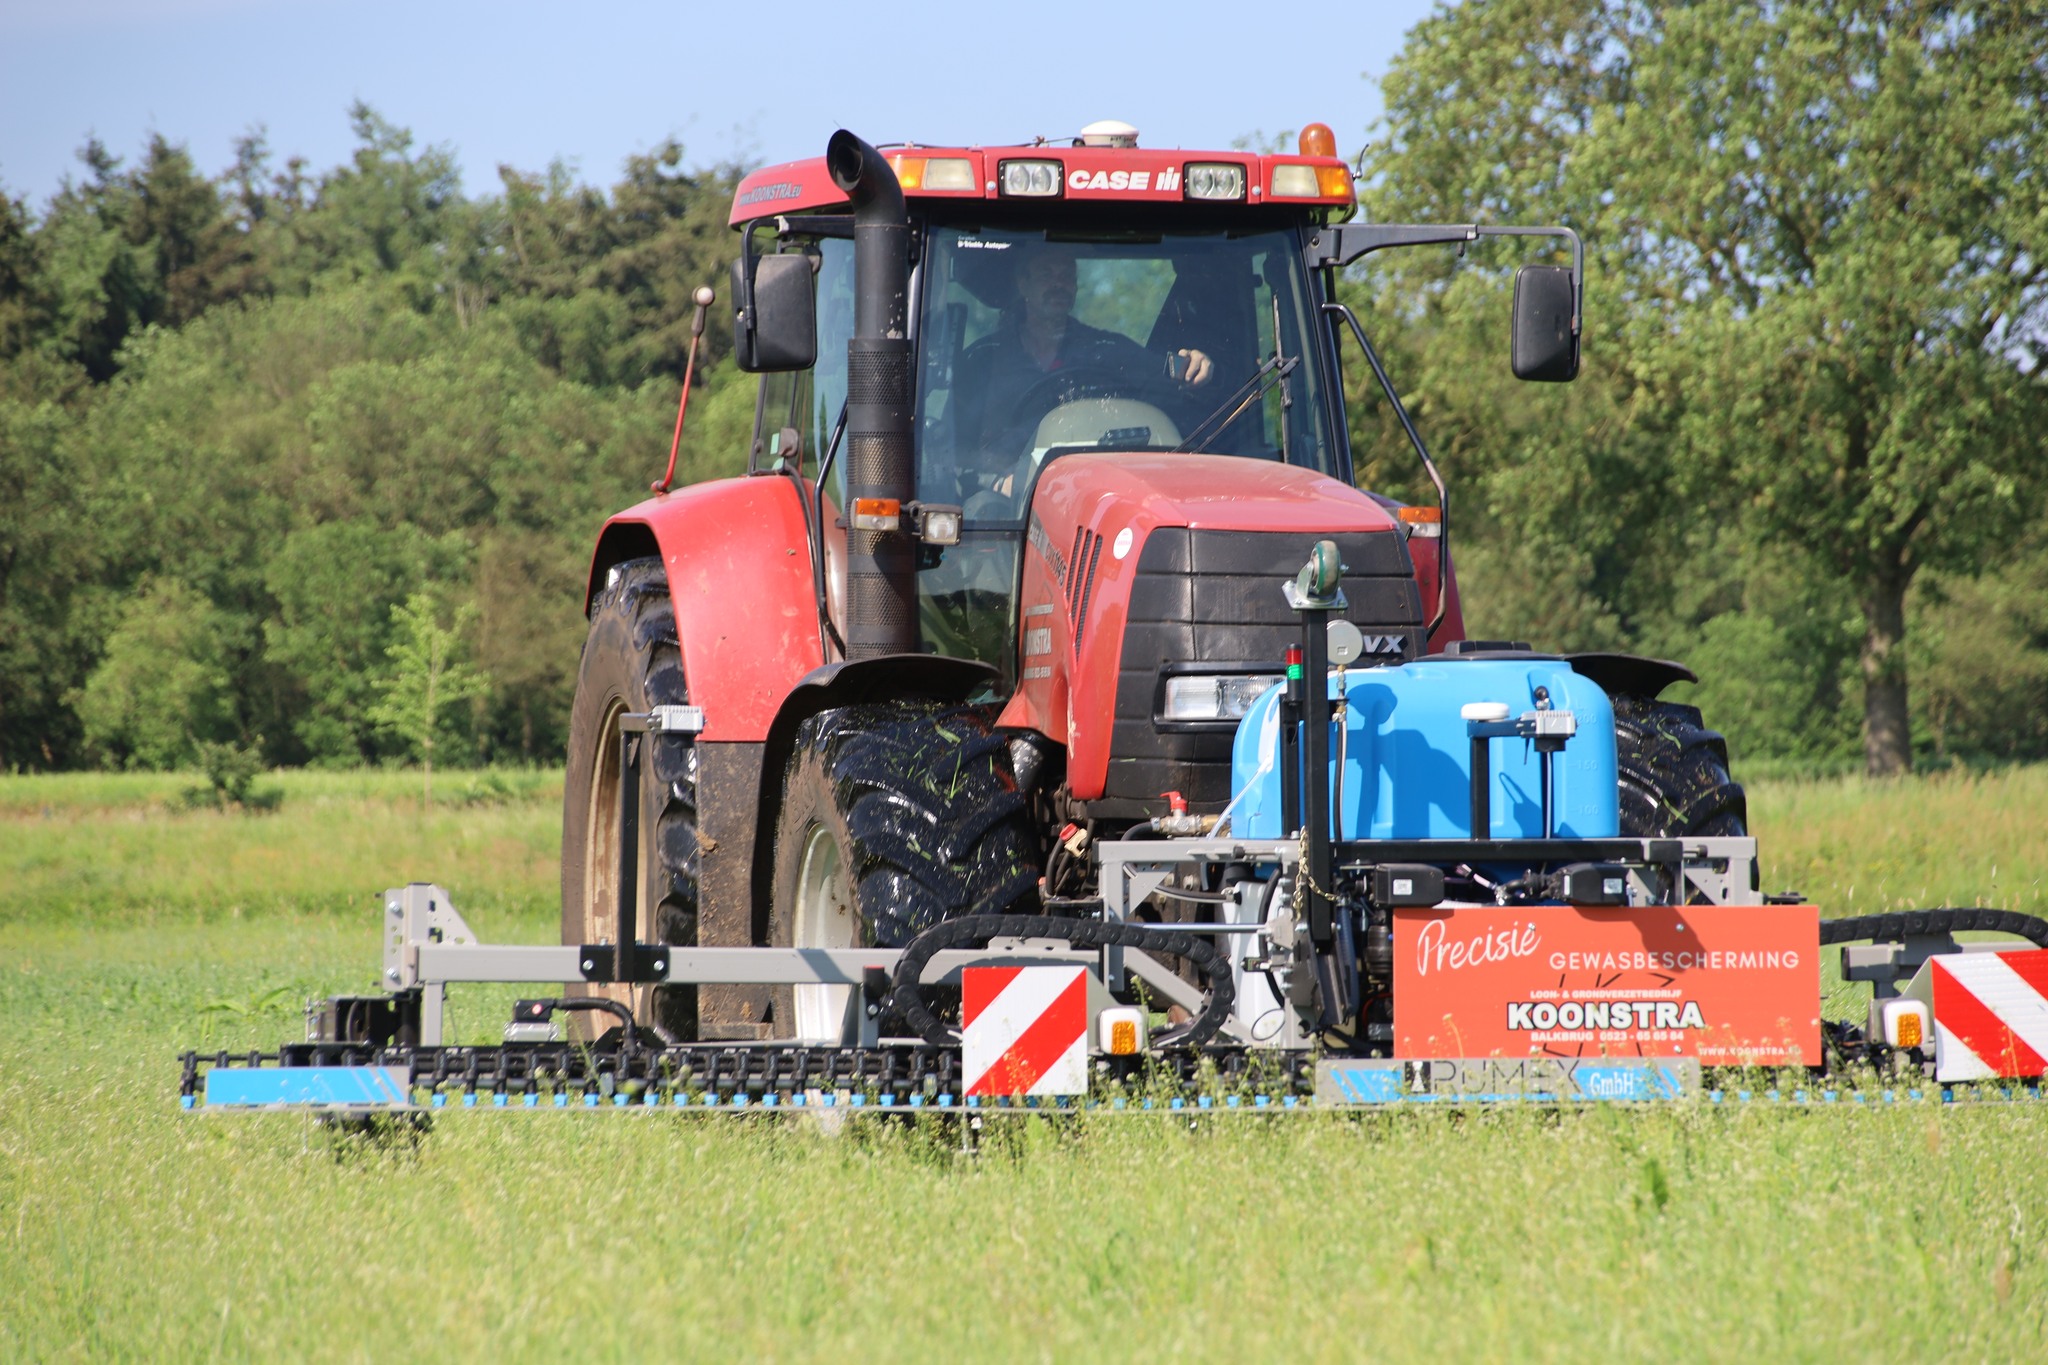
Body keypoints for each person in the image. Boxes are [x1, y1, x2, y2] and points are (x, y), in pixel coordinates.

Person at [955, 247, 1214, 463]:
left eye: (1067, 276)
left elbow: (1173, 373)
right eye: (1047, 274)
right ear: (1024, 284)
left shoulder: (1106, 349)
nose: (1059, 284)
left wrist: (1199, 365)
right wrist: (998, 480)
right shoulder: (983, 360)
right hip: (1008, 506)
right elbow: (954, 449)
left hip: (1093, 493)